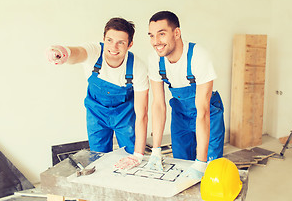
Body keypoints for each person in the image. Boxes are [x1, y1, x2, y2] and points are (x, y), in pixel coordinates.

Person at [46, 17, 149, 170]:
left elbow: (142, 114)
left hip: (125, 115)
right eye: (109, 40)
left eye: (120, 42)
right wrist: (64, 52)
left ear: (130, 44)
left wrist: (139, 154)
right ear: (103, 39)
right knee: (98, 159)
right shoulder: (94, 52)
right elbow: (78, 53)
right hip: (97, 114)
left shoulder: (137, 68)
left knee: (131, 156)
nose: (113, 47)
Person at [146, 11, 225, 180]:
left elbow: (202, 112)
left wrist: (201, 162)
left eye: (161, 34)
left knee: (210, 169)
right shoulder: (155, 60)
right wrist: (156, 150)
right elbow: (158, 105)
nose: (156, 42)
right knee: (181, 165)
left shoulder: (199, 56)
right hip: (180, 115)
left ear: (177, 33)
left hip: (207, 113)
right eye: (152, 36)